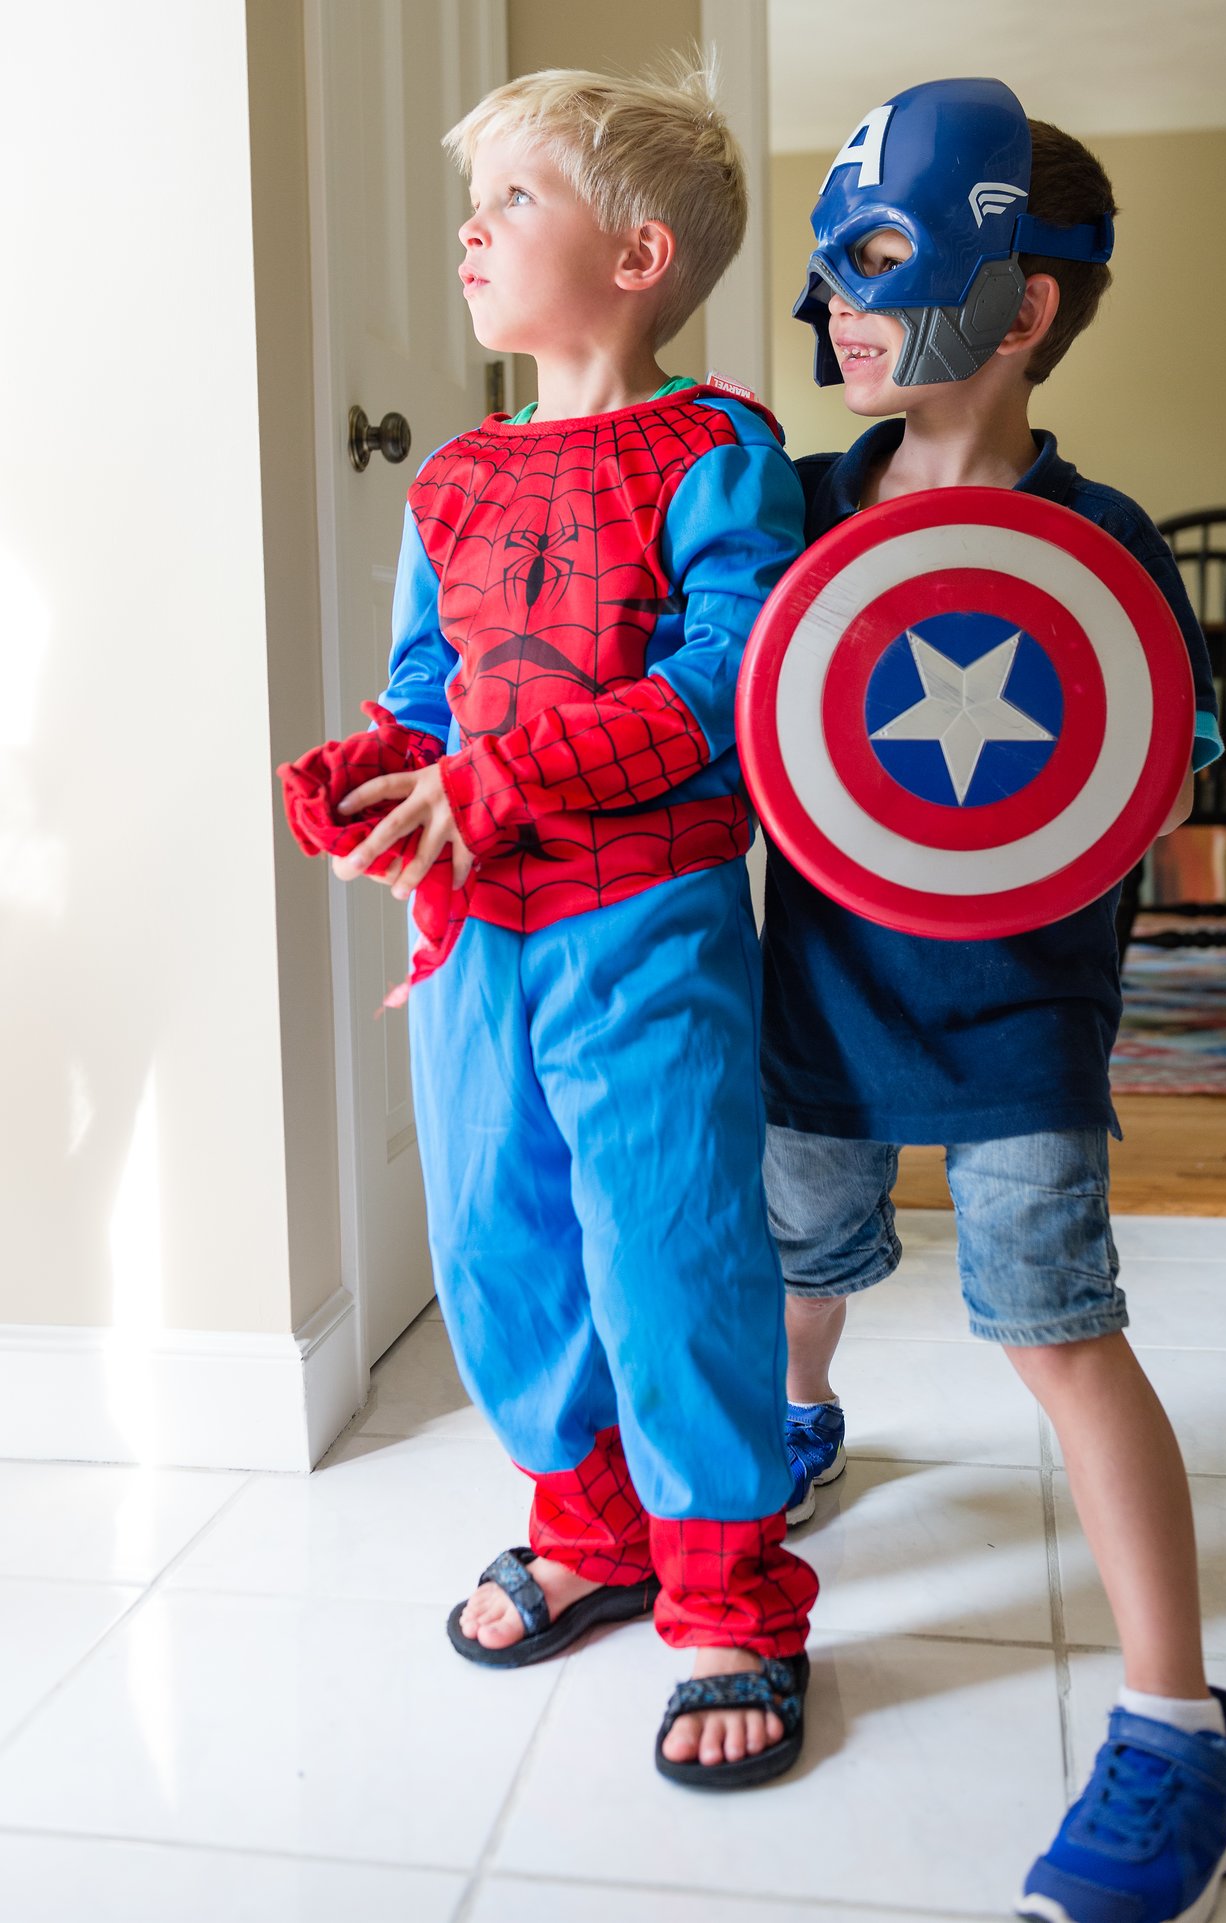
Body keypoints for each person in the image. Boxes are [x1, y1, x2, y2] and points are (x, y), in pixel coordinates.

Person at [764, 76, 1226, 1919]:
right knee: (795, 1261)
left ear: (1024, 301)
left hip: (1012, 1025)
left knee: (1051, 1327)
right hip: (815, 995)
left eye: (876, 262)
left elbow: (1141, 764)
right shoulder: (805, 507)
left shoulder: (1106, 548)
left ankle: (1178, 1731)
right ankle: (786, 1444)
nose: (835, 306)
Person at [283, 60, 818, 1789]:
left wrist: (506, 776)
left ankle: (728, 1591)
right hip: (473, 934)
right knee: (497, 1250)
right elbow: (432, 694)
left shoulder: (717, 448)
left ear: (640, 253)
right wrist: (378, 773)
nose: (472, 226)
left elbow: (729, 680)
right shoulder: (452, 478)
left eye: (515, 198)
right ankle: (585, 1529)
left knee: (668, 1247)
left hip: (646, 921)